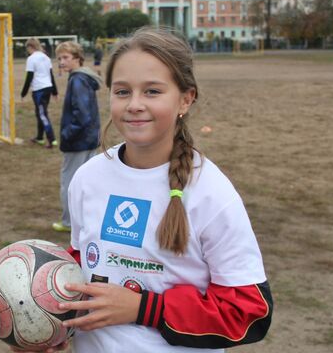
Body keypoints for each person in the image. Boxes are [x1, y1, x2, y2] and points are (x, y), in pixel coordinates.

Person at [52, 28, 273, 352]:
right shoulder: (87, 178)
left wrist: (146, 308)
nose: (135, 105)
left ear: (186, 98)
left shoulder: (212, 194)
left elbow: (249, 312)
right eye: (122, 91)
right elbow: (82, 261)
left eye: (152, 91)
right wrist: (52, 321)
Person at [51, 41, 101, 233]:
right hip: (89, 139)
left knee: (70, 182)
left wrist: (66, 134)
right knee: (88, 181)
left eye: (65, 58)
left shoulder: (78, 80)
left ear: (77, 59)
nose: (61, 62)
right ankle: (87, 219)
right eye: (59, 58)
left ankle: (69, 222)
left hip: (79, 141)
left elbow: (82, 115)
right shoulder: (84, 78)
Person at [21, 38, 58, 149]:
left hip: (39, 90)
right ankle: (39, 138)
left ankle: (52, 139)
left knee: (42, 114)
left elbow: (29, 77)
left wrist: (23, 93)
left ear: (30, 47)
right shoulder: (46, 57)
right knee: (39, 113)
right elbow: (51, 75)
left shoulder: (31, 59)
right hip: (48, 88)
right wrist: (54, 91)